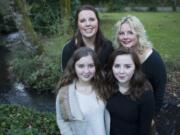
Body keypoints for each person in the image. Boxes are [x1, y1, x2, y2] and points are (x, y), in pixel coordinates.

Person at [114, 15, 167, 116]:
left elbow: (159, 92)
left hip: (144, 113)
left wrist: (152, 117)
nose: (125, 37)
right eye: (121, 33)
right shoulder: (118, 55)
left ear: (138, 34)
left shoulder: (154, 60)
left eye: (130, 32)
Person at [56, 47, 110, 135]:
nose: (86, 71)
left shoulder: (102, 86)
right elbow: (61, 120)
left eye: (91, 66)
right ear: (74, 67)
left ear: (96, 67)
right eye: (81, 66)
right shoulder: (65, 94)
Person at [106, 48, 155, 135]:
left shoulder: (145, 93)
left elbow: (144, 129)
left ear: (135, 68)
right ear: (111, 67)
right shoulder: (107, 85)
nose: (121, 71)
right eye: (117, 66)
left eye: (127, 66)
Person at [61, 4, 113, 71]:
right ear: (77, 24)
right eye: (82, 21)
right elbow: (66, 78)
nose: (88, 24)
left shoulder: (108, 47)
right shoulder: (69, 49)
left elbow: (111, 76)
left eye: (92, 19)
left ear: (98, 22)